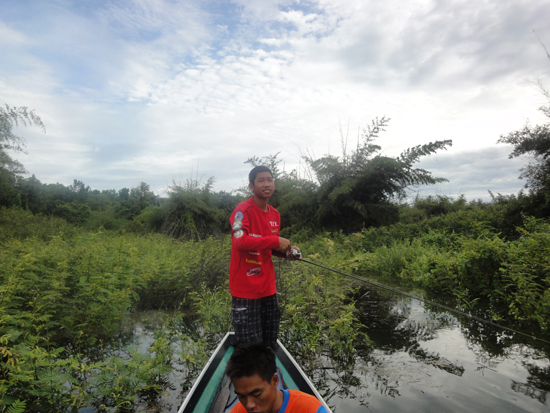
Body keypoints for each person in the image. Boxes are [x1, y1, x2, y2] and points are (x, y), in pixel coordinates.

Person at [229, 166, 299, 347]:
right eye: (261, 180)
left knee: (269, 343)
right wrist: (275, 240)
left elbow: (267, 247)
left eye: (270, 179)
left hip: (268, 289)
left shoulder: (275, 214)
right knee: (250, 348)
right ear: (251, 186)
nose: (267, 184)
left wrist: (285, 253)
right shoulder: (241, 211)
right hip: (245, 290)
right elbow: (240, 242)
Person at [225, 343, 327, 413]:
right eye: (241, 396)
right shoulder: (238, 410)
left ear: (274, 381)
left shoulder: (309, 408)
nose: (249, 405)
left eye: (256, 394)